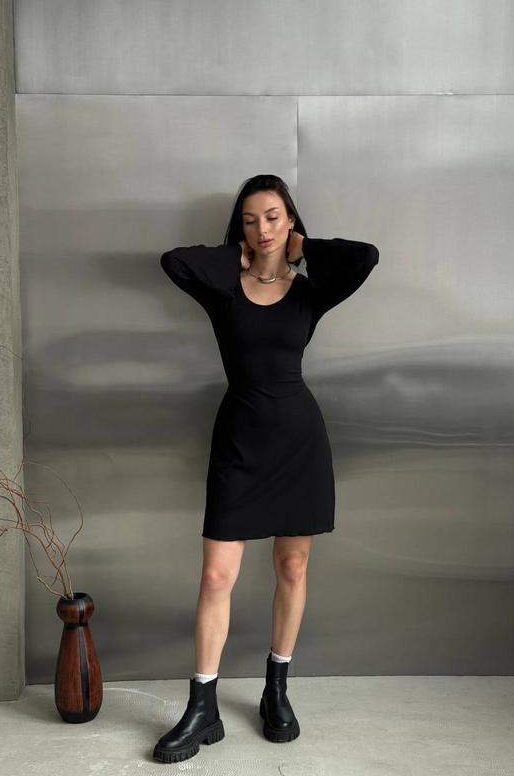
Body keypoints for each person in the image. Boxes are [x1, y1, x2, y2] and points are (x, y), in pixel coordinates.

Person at [153, 174, 379, 764]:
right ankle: (202, 707)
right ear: (241, 229)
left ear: (291, 219)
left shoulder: (310, 292)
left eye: (273, 217)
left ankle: (276, 689)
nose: (263, 229)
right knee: (215, 578)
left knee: (292, 566)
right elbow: (174, 261)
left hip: (299, 442)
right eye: (251, 220)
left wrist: (302, 250)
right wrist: (239, 256)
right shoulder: (222, 290)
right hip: (239, 442)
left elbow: (365, 258)